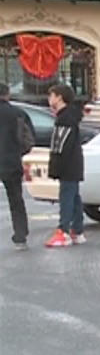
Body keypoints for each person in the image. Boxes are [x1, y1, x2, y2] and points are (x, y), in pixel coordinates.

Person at [45, 83, 86, 247]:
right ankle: (77, 230)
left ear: (59, 98)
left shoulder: (64, 119)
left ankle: (64, 231)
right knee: (74, 197)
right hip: (73, 163)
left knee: (67, 197)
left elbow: (60, 146)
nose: (50, 99)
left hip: (68, 164)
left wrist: (55, 167)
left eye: (52, 96)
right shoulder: (70, 116)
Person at [0, 82, 33, 250]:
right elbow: (28, 140)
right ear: (7, 95)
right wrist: (17, 151)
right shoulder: (18, 114)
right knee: (16, 201)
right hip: (11, 162)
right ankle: (20, 237)